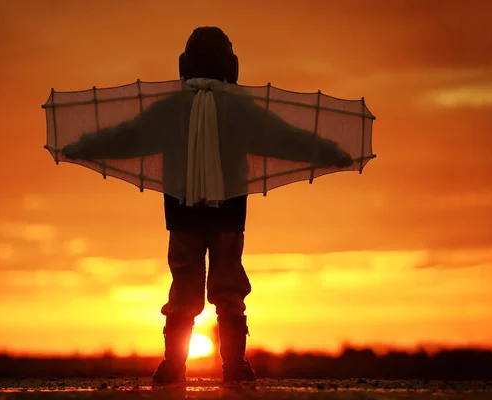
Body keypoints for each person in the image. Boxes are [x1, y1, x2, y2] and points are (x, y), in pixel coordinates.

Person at [62, 26, 353, 384]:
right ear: (231, 66)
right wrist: (329, 152)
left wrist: (84, 145)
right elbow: (285, 138)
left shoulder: (172, 108)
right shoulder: (240, 108)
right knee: (228, 287)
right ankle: (232, 367)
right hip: (226, 213)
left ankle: (175, 367)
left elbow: (127, 136)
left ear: (184, 64)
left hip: (184, 210)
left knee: (185, 287)